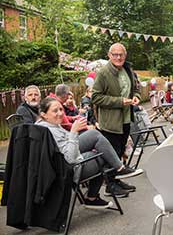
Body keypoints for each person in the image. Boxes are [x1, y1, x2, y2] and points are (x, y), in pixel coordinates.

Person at [36, 97, 137, 207]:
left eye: (61, 109)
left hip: (63, 167)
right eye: (55, 111)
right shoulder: (49, 131)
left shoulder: (45, 126)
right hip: (68, 172)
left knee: (100, 146)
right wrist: (74, 131)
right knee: (101, 150)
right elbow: (70, 158)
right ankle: (117, 170)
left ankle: (93, 196)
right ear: (44, 114)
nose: (60, 113)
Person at [92, 43, 142, 196]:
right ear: (109, 55)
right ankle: (110, 186)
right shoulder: (103, 73)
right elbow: (96, 97)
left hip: (126, 119)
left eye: (121, 54)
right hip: (110, 122)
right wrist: (119, 101)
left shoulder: (128, 69)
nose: (118, 57)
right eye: (115, 54)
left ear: (125, 56)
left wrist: (137, 97)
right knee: (111, 153)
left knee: (120, 151)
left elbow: (136, 88)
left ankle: (116, 180)